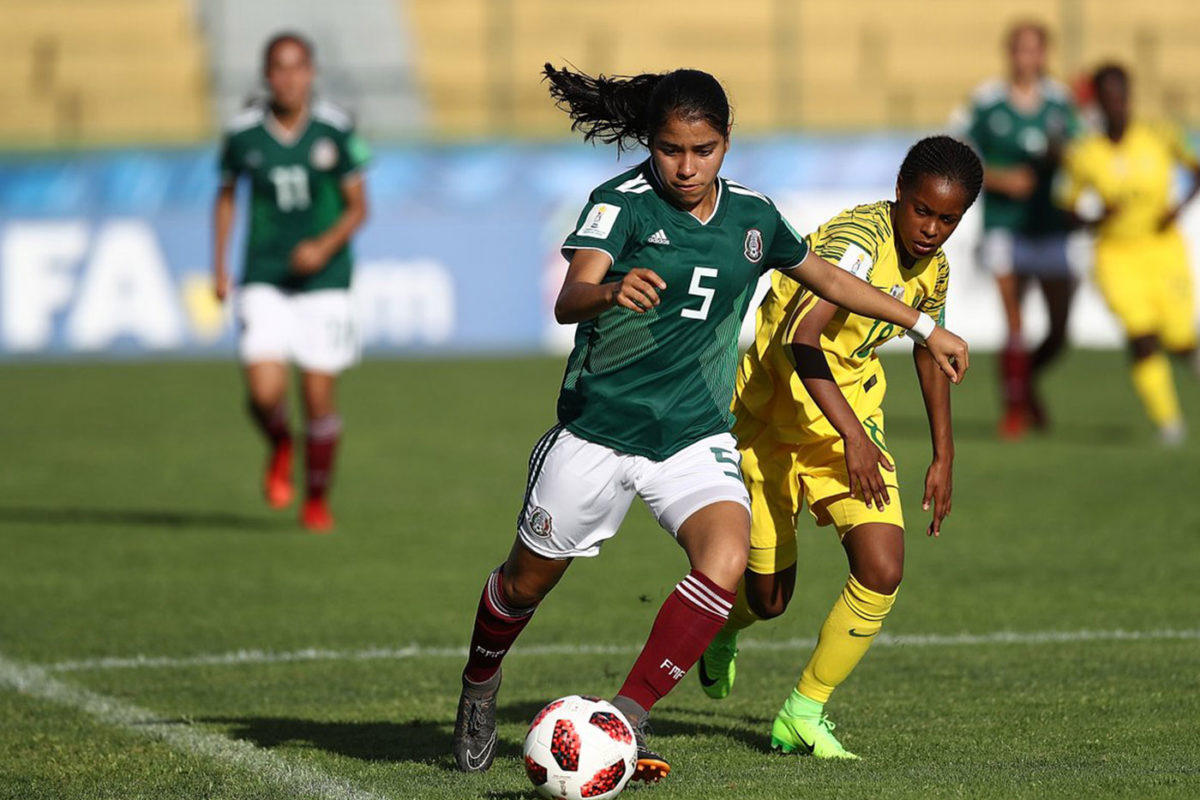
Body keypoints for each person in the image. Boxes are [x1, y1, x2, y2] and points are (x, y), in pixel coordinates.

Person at [452, 65, 971, 783]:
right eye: (670, 150)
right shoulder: (621, 204)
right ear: (652, 144)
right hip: (600, 431)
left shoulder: (753, 217)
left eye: (703, 150)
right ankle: (480, 686)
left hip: (694, 436)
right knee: (524, 584)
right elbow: (569, 299)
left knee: (724, 565)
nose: (687, 166)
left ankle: (627, 719)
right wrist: (609, 290)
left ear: (726, 143)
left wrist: (923, 326)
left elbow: (833, 281)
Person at [696, 136, 984, 760]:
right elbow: (804, 339)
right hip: (768, 425)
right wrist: (853, 435)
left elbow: (929, 353)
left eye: (948, 219)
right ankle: (724, 629)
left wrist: (944, 453)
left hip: (847, 423)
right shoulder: (857, 243)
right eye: (922, 211)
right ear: (899, 193)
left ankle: (804, 711)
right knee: (769, 599)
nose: (932, 229)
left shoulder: (933, 267)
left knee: (883, 567)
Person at [213, 33, 370, 530]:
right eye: (278, 68)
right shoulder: (243, 134)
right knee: (263, 394)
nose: (288, 77)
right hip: (264, 275)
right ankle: (280, 442)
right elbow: (225, 197)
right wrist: (219, 264)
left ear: (311, 72)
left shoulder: (335, 128)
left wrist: (322, 247)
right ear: (266, 75)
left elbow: (359, 207)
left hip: (326, 279)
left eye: (296, 67)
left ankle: (316, 499)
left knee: (318, 398)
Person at [1059, 64, 1200, 445]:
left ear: (1130, 96)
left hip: (1163, 247)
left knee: (1181, 338)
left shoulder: (1160, 135)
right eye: (1108, 97)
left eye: (1121, 95)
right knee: (1142, 336)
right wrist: (1093, 216)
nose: (1116, 103)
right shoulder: (1085, 153)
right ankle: (1169, 423)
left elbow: (1196, 168)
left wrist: (1180, 206)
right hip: (1116, 255)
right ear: (1099, 102)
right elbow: (1066, 208)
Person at [954, 21, 1082, 438]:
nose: (1028, 58)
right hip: (1005, 226)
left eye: (1036, 50)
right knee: (1015, 321)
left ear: (1045, 54)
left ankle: (1025, 389)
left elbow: (1082, 155)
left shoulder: (1061, 103)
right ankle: (1013, 409)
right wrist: (1001, 179)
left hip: (1049, 224)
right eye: (1021, 49)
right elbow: (959, 157)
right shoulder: (988, 103)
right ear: (1011, 54)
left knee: (1061, 329)